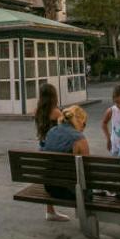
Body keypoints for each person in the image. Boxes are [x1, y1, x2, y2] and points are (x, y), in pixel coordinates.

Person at [34, 84, 69, 222]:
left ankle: (50, 210)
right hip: (56, 152)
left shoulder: (37, 111)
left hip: (43, 149)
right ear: (54, 96)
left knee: (48, 178)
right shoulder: (56, 113)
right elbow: (64, 132)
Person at [41, 105, 90, 200]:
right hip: (70, 190)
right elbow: (86, 169)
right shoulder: (79, 139)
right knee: (85, 189)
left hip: (50, 187)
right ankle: (84, 215)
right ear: (79, 121)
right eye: (84, 124)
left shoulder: (51, 132)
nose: (84, 128)